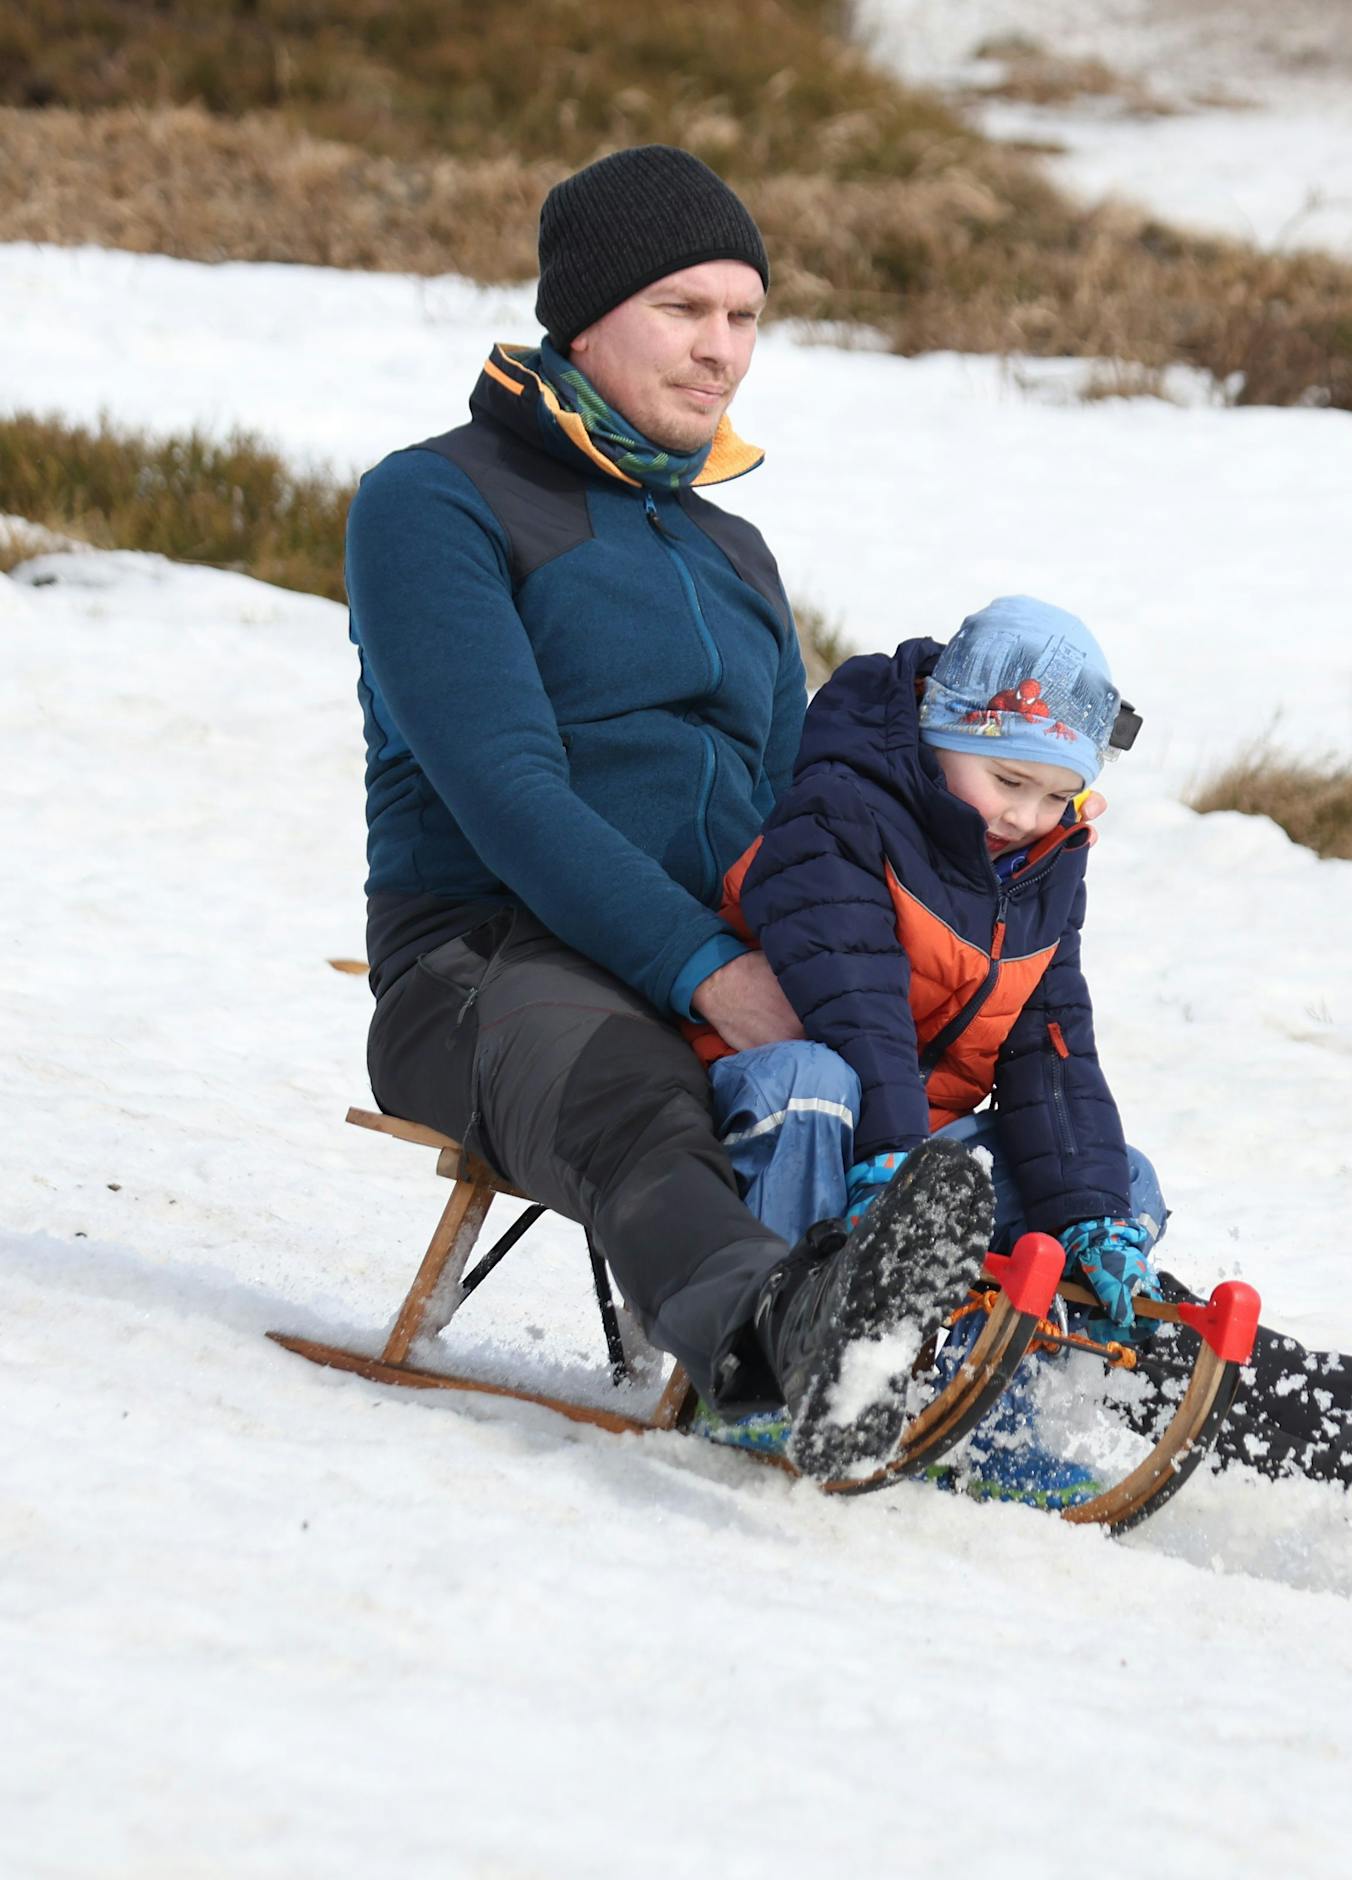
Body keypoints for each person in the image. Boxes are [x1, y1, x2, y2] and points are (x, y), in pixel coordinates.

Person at [685, 597, 1352, 1570]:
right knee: (812, 1081)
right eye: (1007, 783)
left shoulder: (1035, 867)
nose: (1025, 815)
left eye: (1056, 794)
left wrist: (1089, 1216)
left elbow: (1053, 1051)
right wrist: (895, 1165)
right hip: (793, 1171)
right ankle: (810, 1372)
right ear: (937, 729)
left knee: (1114, 1193)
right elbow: (857, 1006)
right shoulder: (840, 815)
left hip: (918, 1180)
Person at [342, 144, 997, 1483]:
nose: (722, 352)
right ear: (583, 317)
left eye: (744, 316)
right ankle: (787, 1335)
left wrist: (879, 961)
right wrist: (712, 972)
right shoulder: (435, 503)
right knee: (646, 1104)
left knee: (973, 1095)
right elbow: (512, 796)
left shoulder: (728, 548)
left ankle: (1197, 1380)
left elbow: (793, 812)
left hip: (717, 960)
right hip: (483, 970)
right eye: (683, 311)